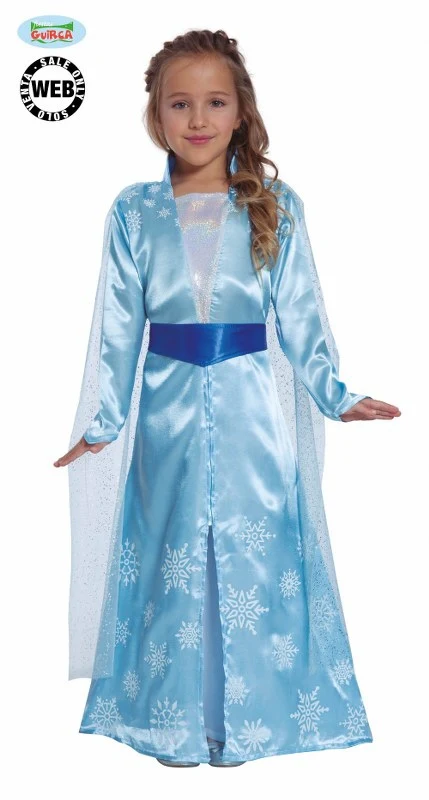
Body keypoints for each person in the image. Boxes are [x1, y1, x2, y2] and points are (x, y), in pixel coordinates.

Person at [54, 29, 401, 768]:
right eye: (179, 103)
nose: (198, 118)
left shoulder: (274, 205)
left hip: (250, 415)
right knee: (171, 555)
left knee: (250, 554)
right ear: (155, 114)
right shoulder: (134, 211)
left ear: (241, 111)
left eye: (215, 102)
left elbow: (300, 316)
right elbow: (118, 327)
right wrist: (103, 421)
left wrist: (335, 395)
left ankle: (249, 720)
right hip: (165, 413)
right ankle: (174, 723)